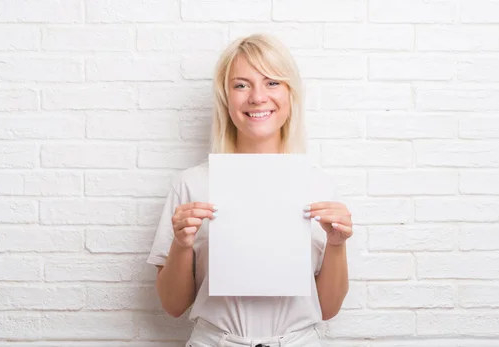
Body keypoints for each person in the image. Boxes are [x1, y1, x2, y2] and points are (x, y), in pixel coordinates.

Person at [147, 34, 353, 347]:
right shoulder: (191, 184)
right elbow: (173, 306)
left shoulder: (319, 185)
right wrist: (181, 244)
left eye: (272, 82)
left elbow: (327, 309)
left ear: (290, 94)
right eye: (241, 85)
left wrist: (337, 245)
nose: (257, 97)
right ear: (225, 98)